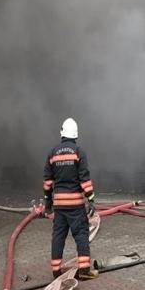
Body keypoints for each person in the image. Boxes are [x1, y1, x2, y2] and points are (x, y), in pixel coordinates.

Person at [43, 117, 98, 280]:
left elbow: (47, 181)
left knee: (58, 235)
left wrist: (48, 202)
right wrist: (91, 200)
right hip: (75, 204)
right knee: (81, 234)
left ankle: (55, 270)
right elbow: (84, 179)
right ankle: (84, 270)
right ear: (75, 135)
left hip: (59, 205)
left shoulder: (52, 153)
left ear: (62, 134)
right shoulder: (79, 152)